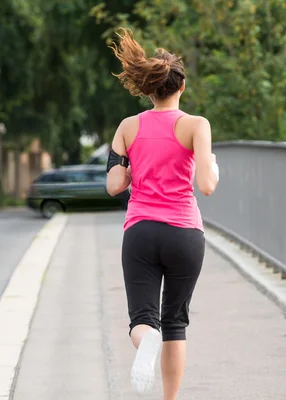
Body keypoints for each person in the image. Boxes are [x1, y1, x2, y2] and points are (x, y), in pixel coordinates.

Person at [105, 28, 219, 399]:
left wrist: (132, 165)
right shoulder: (196, 126)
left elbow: (113, 185)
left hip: (140, 232)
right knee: (175, 323)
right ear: (181, 86)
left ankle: (145, 338)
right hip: (185, 234)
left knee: (143, 321)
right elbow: (206, 185)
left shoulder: (127, 126)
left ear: (150, 88)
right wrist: (212, 166)